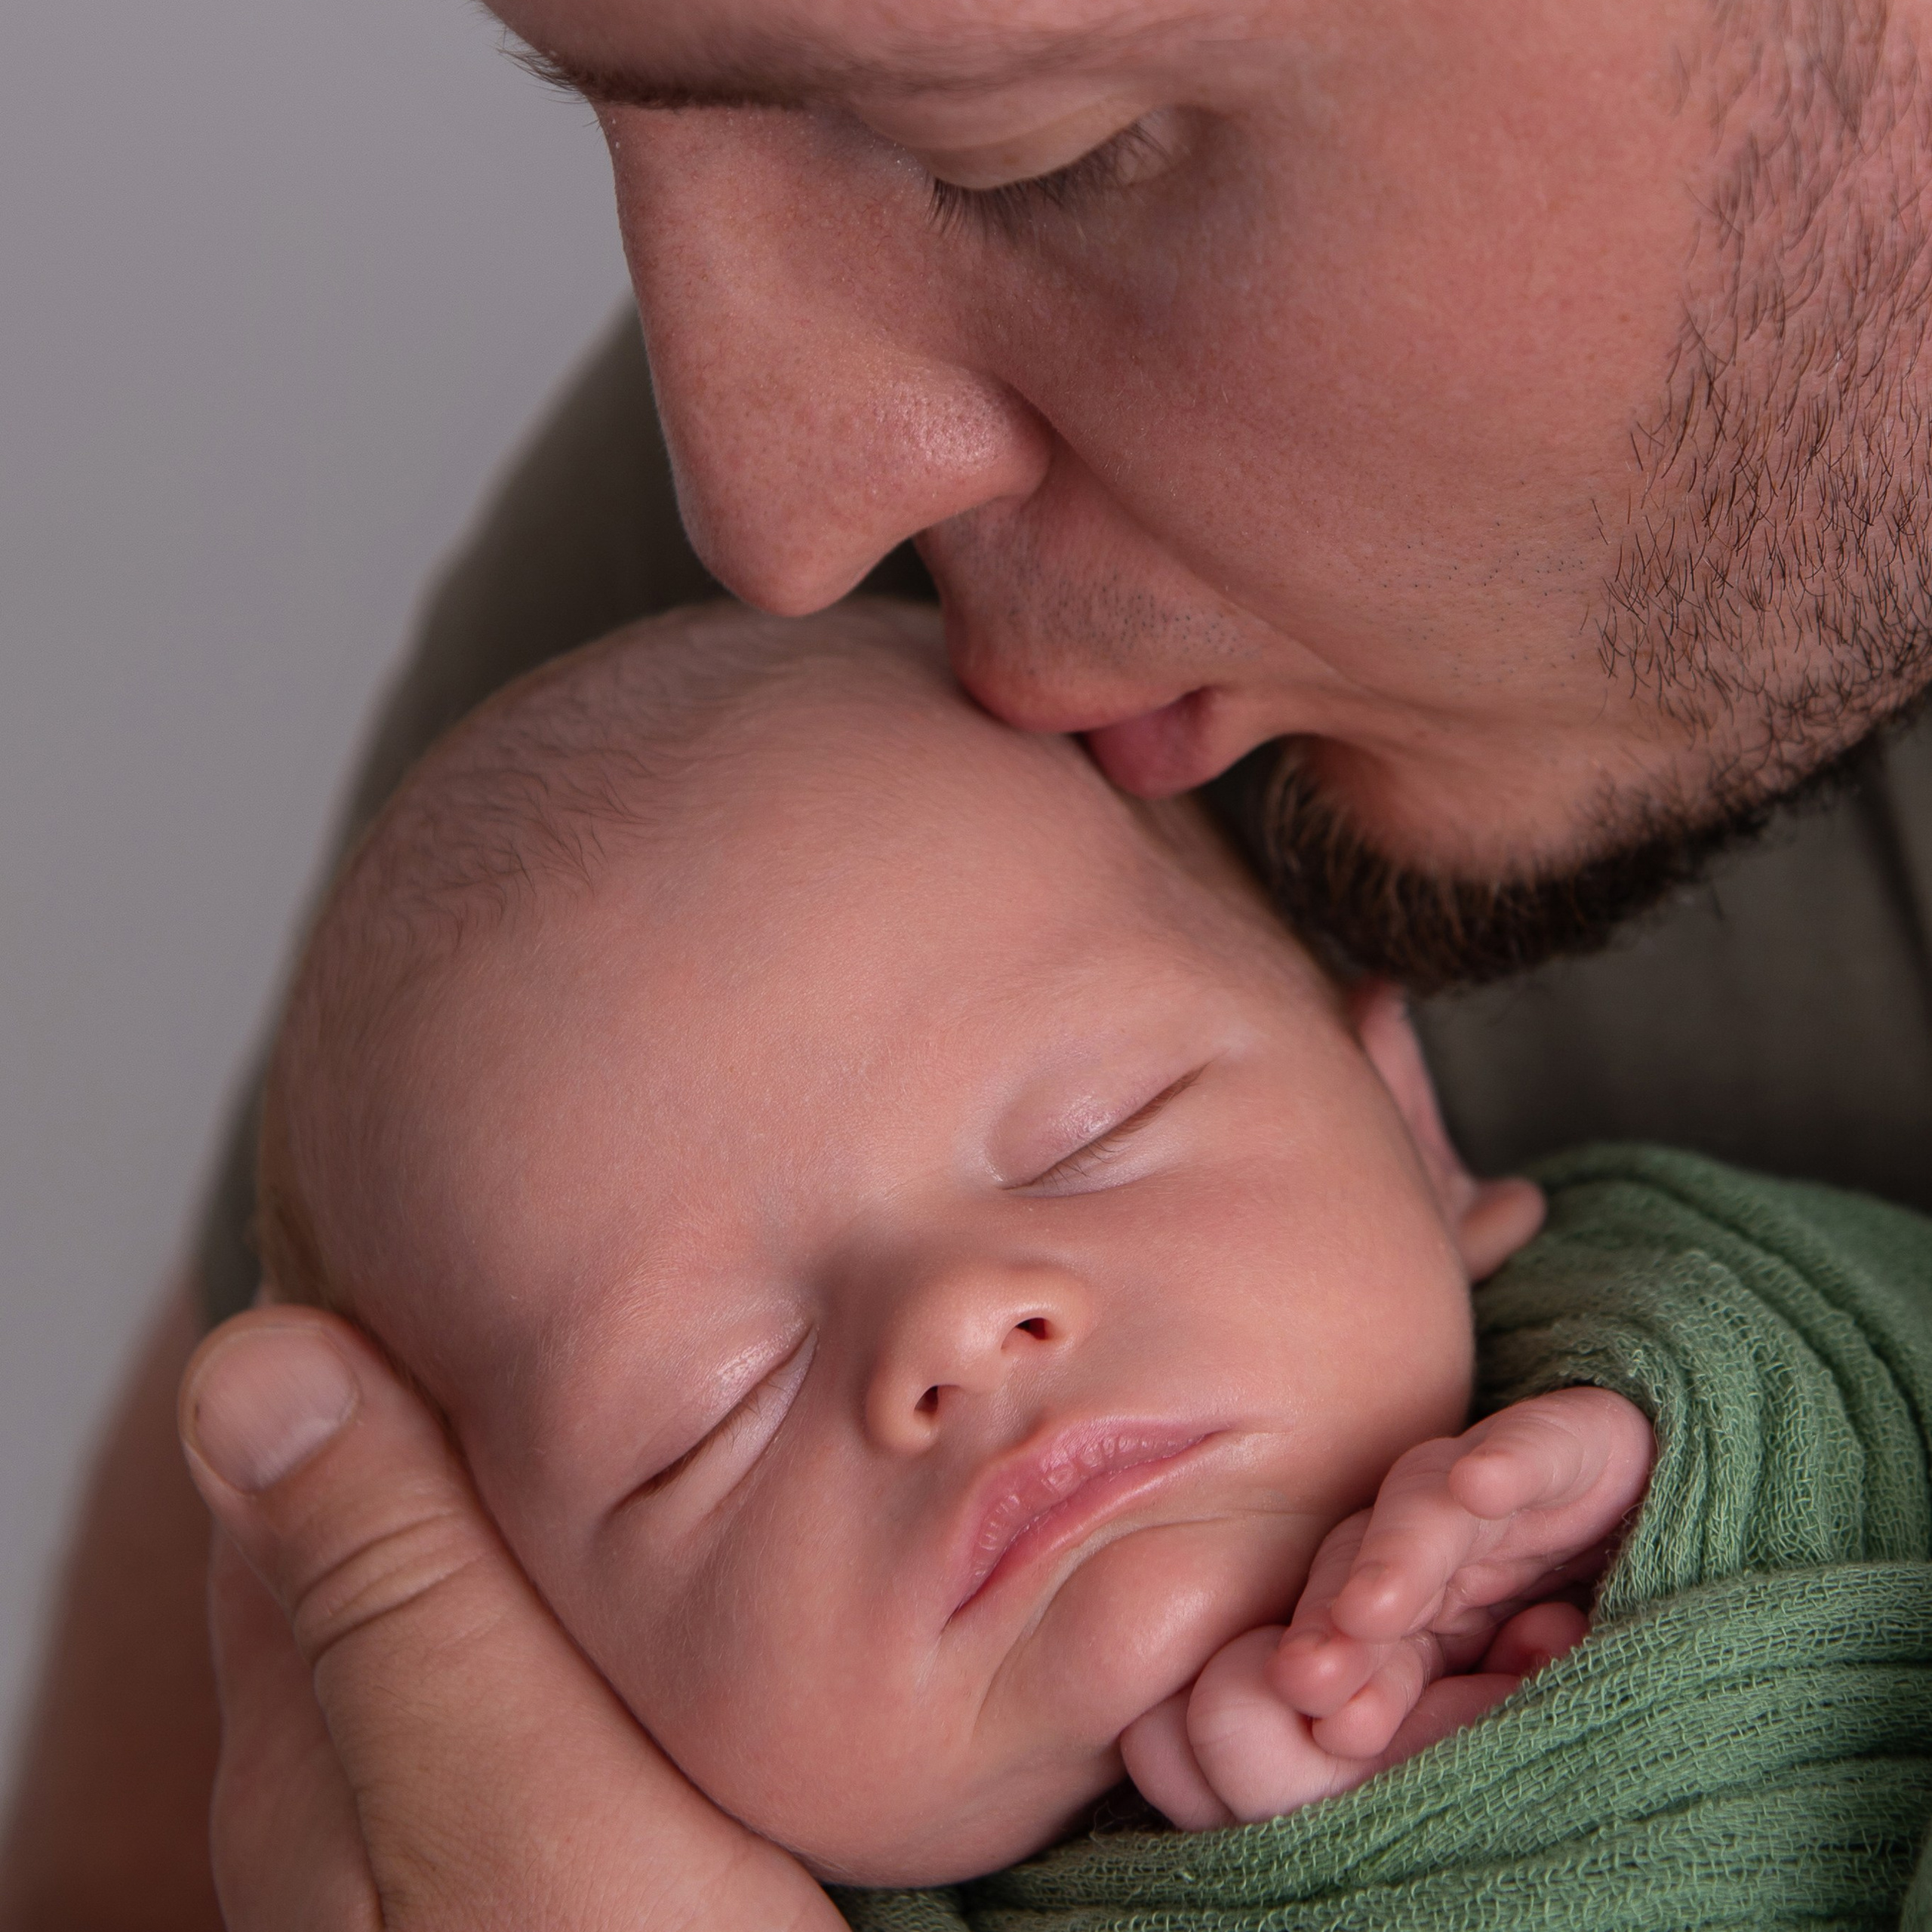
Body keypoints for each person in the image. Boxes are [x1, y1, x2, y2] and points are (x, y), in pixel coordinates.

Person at [6, 0, 1932, 1924]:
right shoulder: (733, 774)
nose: (763, 519)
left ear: (1408, 1109)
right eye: (697, 1419)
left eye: (1031, 155)